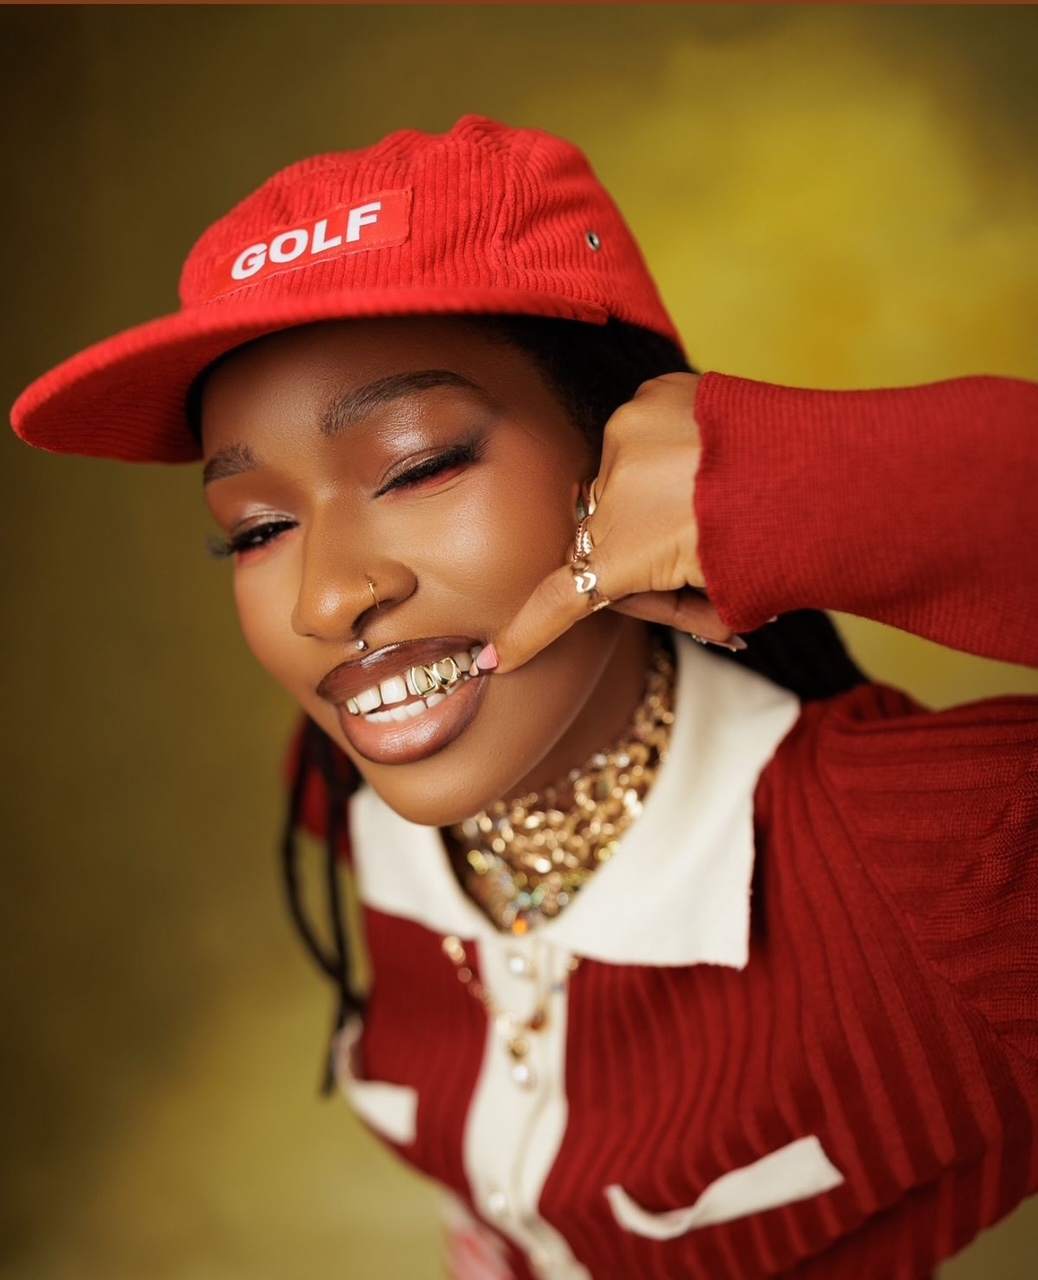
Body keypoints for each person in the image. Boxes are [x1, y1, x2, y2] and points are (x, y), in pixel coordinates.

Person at [10, 116, 1037, 1280]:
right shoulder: (354, 794)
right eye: (256, 528)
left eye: (420, 465)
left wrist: (779, 489)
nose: (327, 596)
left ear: (624, 454)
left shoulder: (941, 865)